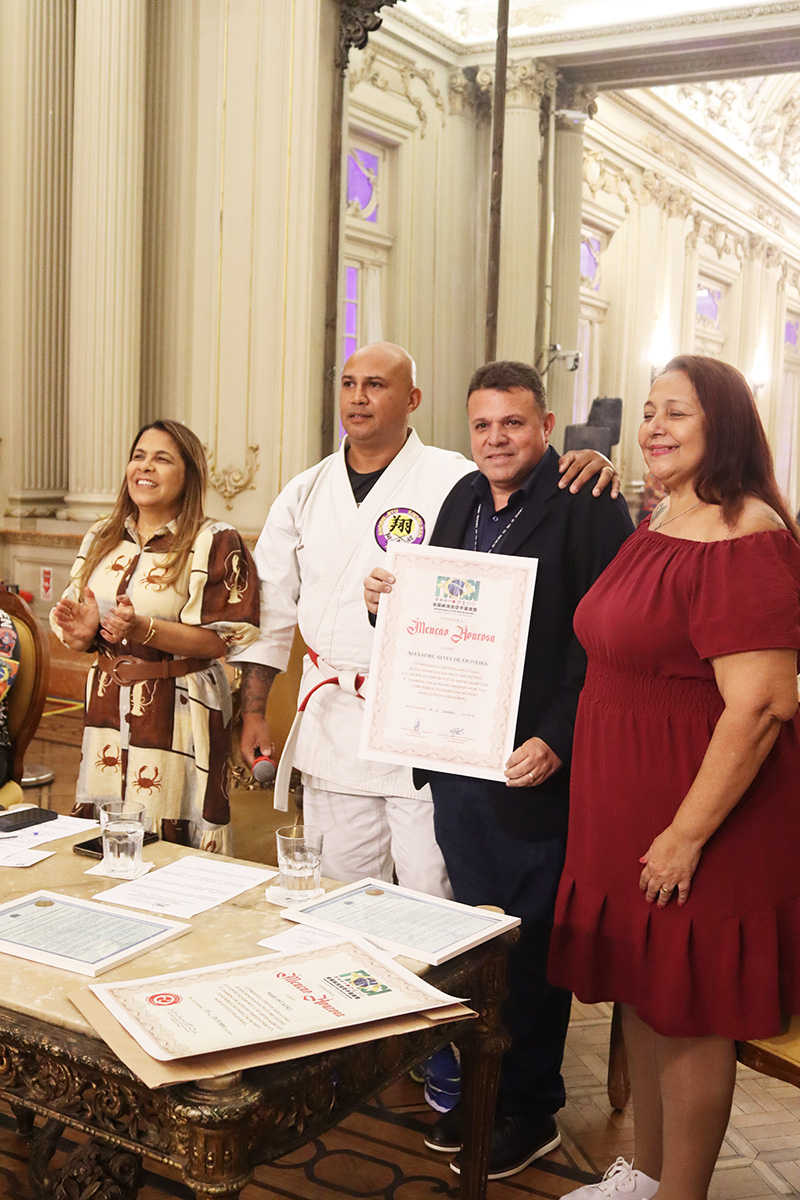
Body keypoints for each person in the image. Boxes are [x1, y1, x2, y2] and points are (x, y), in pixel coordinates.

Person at [365, 360, 634, 1180]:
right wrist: (390, 600)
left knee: (531, 944)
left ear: (545, 427)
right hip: (458, 761)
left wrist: (559, 737)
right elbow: (443, 610)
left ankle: (531, 1108)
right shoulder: (462, 500)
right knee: (475, 934)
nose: (495, 439)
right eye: (482, 425)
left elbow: (606, 643)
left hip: (533, 770)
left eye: (512, 424)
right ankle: (482, 1091)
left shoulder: (589, 506)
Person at [235, 342, 618, 897]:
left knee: (434, 894)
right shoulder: (310, 489)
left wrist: (593, 460)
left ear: (413, 399)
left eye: (377, 385)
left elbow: (585, 617)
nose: (359, 398)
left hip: (438, 721)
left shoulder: (454, 478)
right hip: (339, 718)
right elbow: (272, 605)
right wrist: (255, 706)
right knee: (339, 893)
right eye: (349, 383)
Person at [548, 356, 800, 1200]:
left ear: (723, 424)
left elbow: (761, 704)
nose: (653, 427)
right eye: (648, 412)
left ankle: (679, 1194)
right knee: (647, 995)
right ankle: (643, 1178)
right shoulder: (663, 515)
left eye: (677, 414)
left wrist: (687, 833)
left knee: (690, 1009)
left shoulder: (746, 533)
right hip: (627, 799)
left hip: (705, 812)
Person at [51, 420, 260, 852]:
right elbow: (81, 624)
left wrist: (144, 627)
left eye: (162, 459)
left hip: (180, 706)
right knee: (107, 833)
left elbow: (221, 641)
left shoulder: (213, 541)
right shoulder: (102, 537)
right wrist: (84, 633)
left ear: (189, 475)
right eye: (139, 456)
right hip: (108, 704)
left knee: (170, 835)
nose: (145, 467)